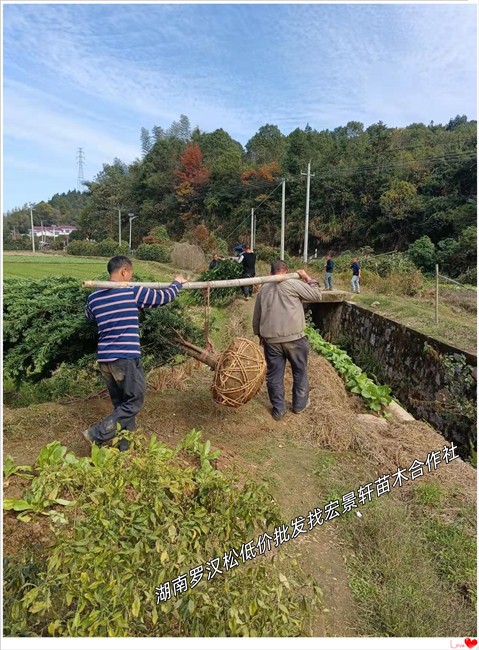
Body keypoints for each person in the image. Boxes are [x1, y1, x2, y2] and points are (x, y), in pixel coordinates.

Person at [83, 255, 186, 450]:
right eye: (130, 274)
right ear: (123, 272)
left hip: (105, 360)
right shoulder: (130, 291)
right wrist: (177, 283)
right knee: (134, 401)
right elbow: (162, 298)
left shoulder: (93, 298)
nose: (131, 278)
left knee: (122, 405)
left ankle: (124, 447)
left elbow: (89, 315)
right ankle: (96, 434)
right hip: (125, 358)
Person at [252, 260, 322, 420]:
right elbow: (317, 295)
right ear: (287, 270)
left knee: (275, 375)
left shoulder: (263, 290)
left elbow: (256, 317)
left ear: (271, 273)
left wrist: (259, 334)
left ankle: (279, 410)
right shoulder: (293, 283)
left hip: (271, 340)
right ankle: (299, 405)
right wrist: (307, 277)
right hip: (295, 339)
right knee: (300, 371)